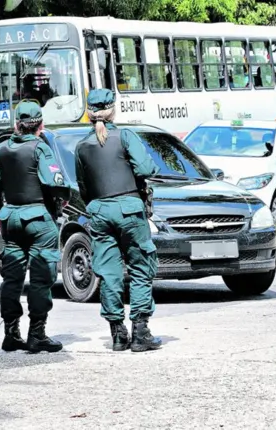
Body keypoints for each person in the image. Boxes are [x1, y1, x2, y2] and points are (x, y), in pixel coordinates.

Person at [74, 89, 163, 353]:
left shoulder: (81, 146)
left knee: (109, 272)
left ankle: (117, 334)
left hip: (99, 211)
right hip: (129, 208)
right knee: (140, 267)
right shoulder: (125, 136)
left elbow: (83, 187)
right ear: (112, 110)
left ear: (89, 113)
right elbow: (146, 169)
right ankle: (140, 332)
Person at [0, 101, 70, 353]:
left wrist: (0, 214)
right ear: (40, 126)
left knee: (11, 278)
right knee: (41, 277)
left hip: (11, 218)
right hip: (39, 220)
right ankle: (37, 334)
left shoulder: (1, 149)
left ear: (16, 125)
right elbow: (54, 181)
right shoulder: (40, 148)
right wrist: (60, 202)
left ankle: (11, 333)